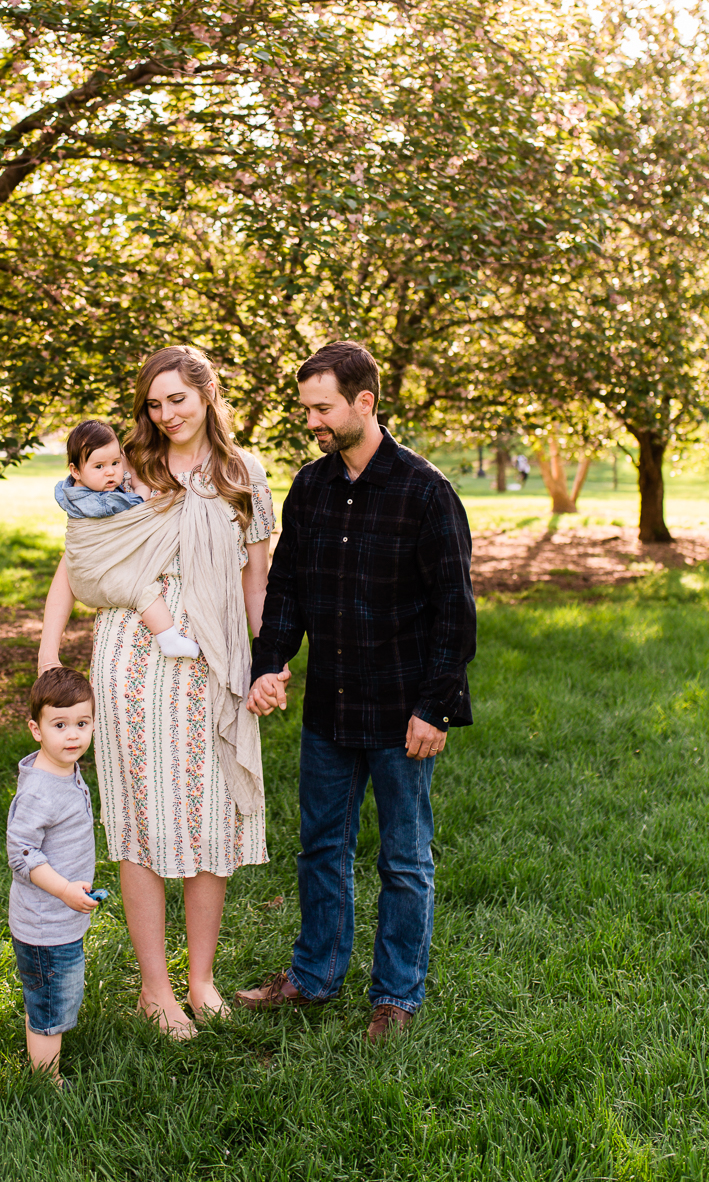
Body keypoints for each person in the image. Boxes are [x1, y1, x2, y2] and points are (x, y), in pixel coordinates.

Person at [236, 341, 476, 1043]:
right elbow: (287, 591)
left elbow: (454, 613)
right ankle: (313, 978)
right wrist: (269, 662)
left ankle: (395, 996)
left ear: (363, 403)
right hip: (329, 710)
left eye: (321, 407)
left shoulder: (425, 491)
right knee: (319, 848)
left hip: (402, 714)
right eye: (305, 407)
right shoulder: (309, 488)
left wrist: (435, 707)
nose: (310, 420)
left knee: (403, 859)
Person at [39, 345, 274, 1039]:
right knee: (140, 816)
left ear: (207, 394)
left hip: (213, 657)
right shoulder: (125, 470)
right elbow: (77, 561)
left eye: (177, 398)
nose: (166, 413)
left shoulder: (242, 473)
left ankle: (201, 980)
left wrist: (266, 662)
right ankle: (154, 989)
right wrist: (48, 648)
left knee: (212, 819)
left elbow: (254, 579)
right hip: (132, 657)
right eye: (154, 402)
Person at [6, 666, 101, 1084]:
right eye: (59, 725)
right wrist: (64, 889)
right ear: (36, 729)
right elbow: (22, 854)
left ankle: (42, 1035)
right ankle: (46, 1080)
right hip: (46, 923)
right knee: (51, 1004)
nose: (73, 735)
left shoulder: (65, 770)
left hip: (62, 918)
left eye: (82, 723)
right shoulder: (39, 789)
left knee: (49, 992)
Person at [55, 419, 200, 658]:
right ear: (75, 471)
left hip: (89, 575)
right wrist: (139, 482)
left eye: (115, 462)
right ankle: (169, 638)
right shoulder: (102, 501)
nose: (111, 471)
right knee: (142, 592)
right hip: (96, 577)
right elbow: (137, 506)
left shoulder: (75, 490)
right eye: (99, 466)